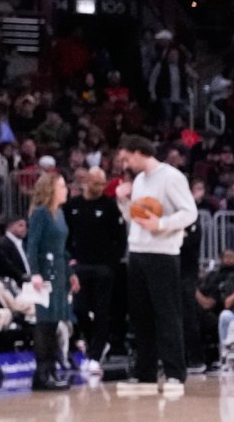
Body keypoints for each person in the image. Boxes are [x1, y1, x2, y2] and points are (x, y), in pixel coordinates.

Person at [113, 135, 195, 398]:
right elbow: (133, 219)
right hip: (137, 252)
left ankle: (174, 374)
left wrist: (161, 225)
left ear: (139, 152)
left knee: (167, 314)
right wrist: (122, 201)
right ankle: (145, 374)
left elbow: (189, 212)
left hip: (162, 254)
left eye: (127, 158)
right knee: (141, 317)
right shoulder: (138, 181)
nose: (125, 164)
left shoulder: (171, 177)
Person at [64, 167, 124, 371]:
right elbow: (66, 237)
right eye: (96, 183)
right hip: (79, 266)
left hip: (103, 268)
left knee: (101, 311)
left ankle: (95, 356)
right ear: (86, 182)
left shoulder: (109, 206)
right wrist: (70, 260)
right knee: (79, 309)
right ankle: (95, 342)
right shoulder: (72, 206)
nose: (100, 187)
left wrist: (111, 265)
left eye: (103, 183)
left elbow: (120, 238)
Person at [24, 171, 71, 390]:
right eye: (62, 187)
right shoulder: (41, 214)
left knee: (54, 322)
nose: (66, 190)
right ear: (51, 190)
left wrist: (71, 273)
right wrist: (35, 272)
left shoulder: (59, 213)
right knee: (44, 323)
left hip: (60, 271)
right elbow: (32, 245)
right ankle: (42, 373)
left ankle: (51, 369)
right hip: (45, 273)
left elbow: (62, 246)